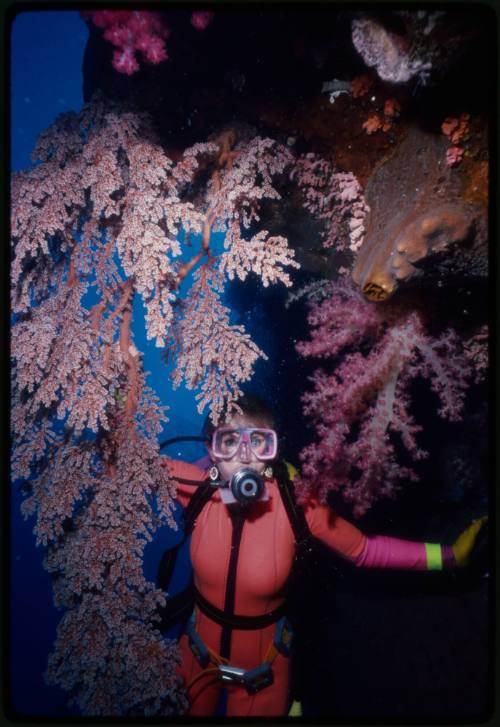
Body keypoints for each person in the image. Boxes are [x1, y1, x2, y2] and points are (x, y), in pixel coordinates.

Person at [157, 394, 486, 717]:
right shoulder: (196, 489)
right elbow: (127, 454)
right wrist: (120, 386)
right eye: (229, 441)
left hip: (263, 675)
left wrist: (450, 556)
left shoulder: (296, 507)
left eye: (259, 442)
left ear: (273, 452)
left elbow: (365, 550)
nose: (244, 457)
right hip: (194, 660)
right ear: (210, 449)